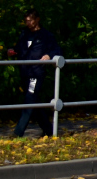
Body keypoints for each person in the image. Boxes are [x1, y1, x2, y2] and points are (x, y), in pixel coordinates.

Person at [6, 9, 62, 137]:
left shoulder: (46, 35)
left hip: (36, 72)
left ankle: (18, 133)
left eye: (30, 20)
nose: (28, 23)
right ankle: (48, 130)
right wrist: (12, 51)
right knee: (34, 101)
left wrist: (49, 55)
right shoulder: (24, 34)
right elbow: (18, 48)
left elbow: (57, 49)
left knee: (30, 99)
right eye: (26, 21)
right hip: (25, 71)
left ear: (37, 20)